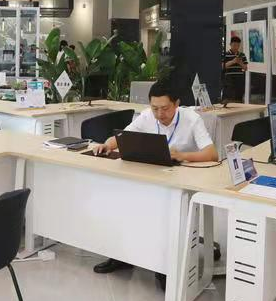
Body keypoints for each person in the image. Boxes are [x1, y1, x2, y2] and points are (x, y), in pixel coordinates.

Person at [92, 79, 218, 276]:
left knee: (164, 215)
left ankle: (165, 266)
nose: (160, 114)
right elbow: (123, 136)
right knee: (120, 198)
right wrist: (107, 145)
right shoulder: (147, 116)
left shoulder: (192, 119)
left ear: (176, 104)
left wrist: (182, 155)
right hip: (153, 174)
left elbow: (212, 154)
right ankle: (121, 256)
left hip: (182, 179)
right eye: (155, 108)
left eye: (165, 109)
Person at [223, 36, 248, 101]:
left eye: (238, 45)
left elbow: (245, 68)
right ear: (230, 44)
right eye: (234, 45)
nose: (236, 47)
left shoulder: (242, 55)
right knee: (229, 97)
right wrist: (233, 61)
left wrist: (240, 63)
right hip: (229, 79)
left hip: (239, 78)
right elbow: (223, 66)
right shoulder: (225, 54)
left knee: (239, 97)